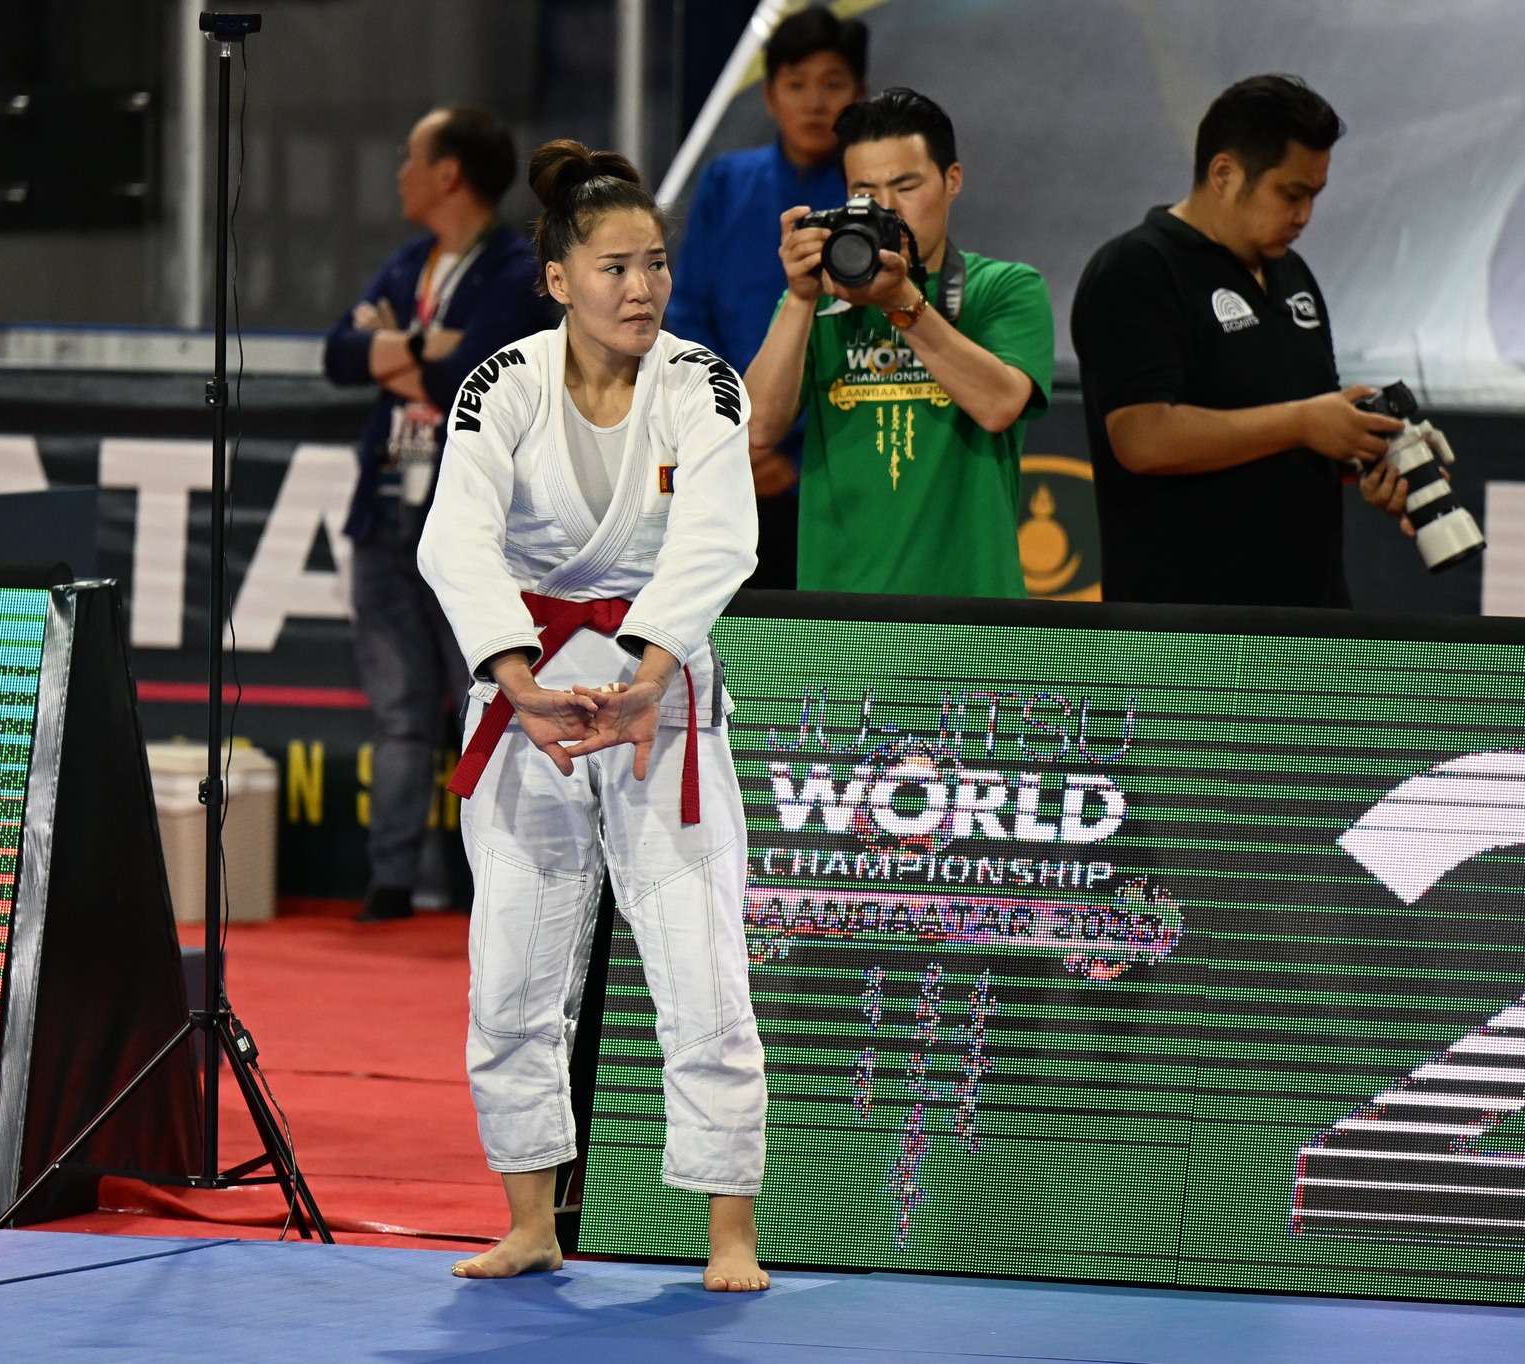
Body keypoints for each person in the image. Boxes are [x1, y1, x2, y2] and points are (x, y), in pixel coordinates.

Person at [416, 141, 769, 1290]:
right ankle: (530, 1220)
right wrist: (515, 681)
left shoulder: (700, 383)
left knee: (701, 967)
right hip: (529, 695)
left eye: (655, 263)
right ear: (559, 278)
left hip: (656, 690)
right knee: (510, 970)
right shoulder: (500, 384)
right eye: (614, 267)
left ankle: (728, 1231)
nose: (641, 287)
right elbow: (455, 538)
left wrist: (652, 670)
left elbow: (718, 537)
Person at [324, 106, 554, 921]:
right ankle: (389, 880)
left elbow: (470, 382)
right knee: (398, 712)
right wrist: (428, 345)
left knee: (486, 699)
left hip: (473, 527)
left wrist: (397, 350)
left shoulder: (514, 271)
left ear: (448, 172)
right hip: (385, 514)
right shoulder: (408, 263)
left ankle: (490, 879)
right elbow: (338, 355)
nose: (400, 171)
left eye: (410, 157)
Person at [1070, 75, 1415, 608]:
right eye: (1291, 194)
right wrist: (1303, 422)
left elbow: (1300, 429)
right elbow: (1143, 438)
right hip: (1183, 634)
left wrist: (1367, 459)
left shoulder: (1293, 273)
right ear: (1224, 174)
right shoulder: (1135, 270)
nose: (1304, 216)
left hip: (1313, 626)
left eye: (1315, 196)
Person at [744, 87, 1054, 597]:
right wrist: (799, 298)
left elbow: (999, 405)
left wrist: (902, 301)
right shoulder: (820, 300)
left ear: (952, 180)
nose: (887, 208)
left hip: (977, 614)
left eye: (906, 185)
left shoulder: (1004, 287)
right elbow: (758, 427)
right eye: (865, 191)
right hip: (839, 614)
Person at [665, 5, 867, 588]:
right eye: (796, 85)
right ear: (770, 96)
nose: (815, 102)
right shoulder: (726, 181)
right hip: (729, 463)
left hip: (836, 470)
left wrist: (794, 460)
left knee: (837, 638)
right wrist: (737, 444)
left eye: (832, 84)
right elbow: (689, 315)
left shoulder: (871, 195)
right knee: (737, 640)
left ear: (861, 93)